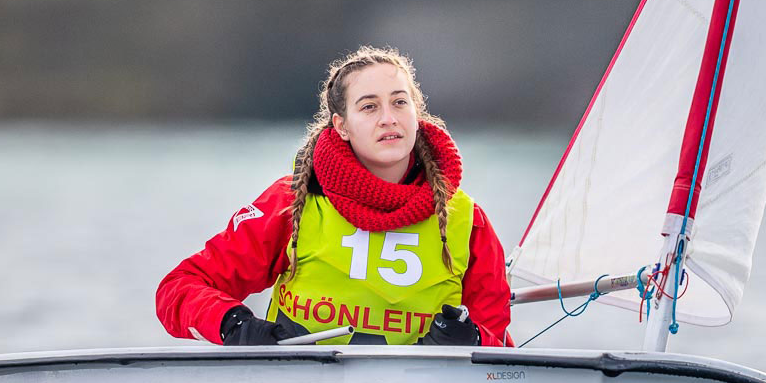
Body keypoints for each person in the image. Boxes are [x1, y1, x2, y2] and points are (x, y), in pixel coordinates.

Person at [156, 46, 513, 346]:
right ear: (342, 126)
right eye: (369, 107)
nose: (389, 118)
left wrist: (471, 339)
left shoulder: (468, 221)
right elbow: (179, 288)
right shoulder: (292, 202)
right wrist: (234, 326)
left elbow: (498, 346)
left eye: (400, 103)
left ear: (416, 115)